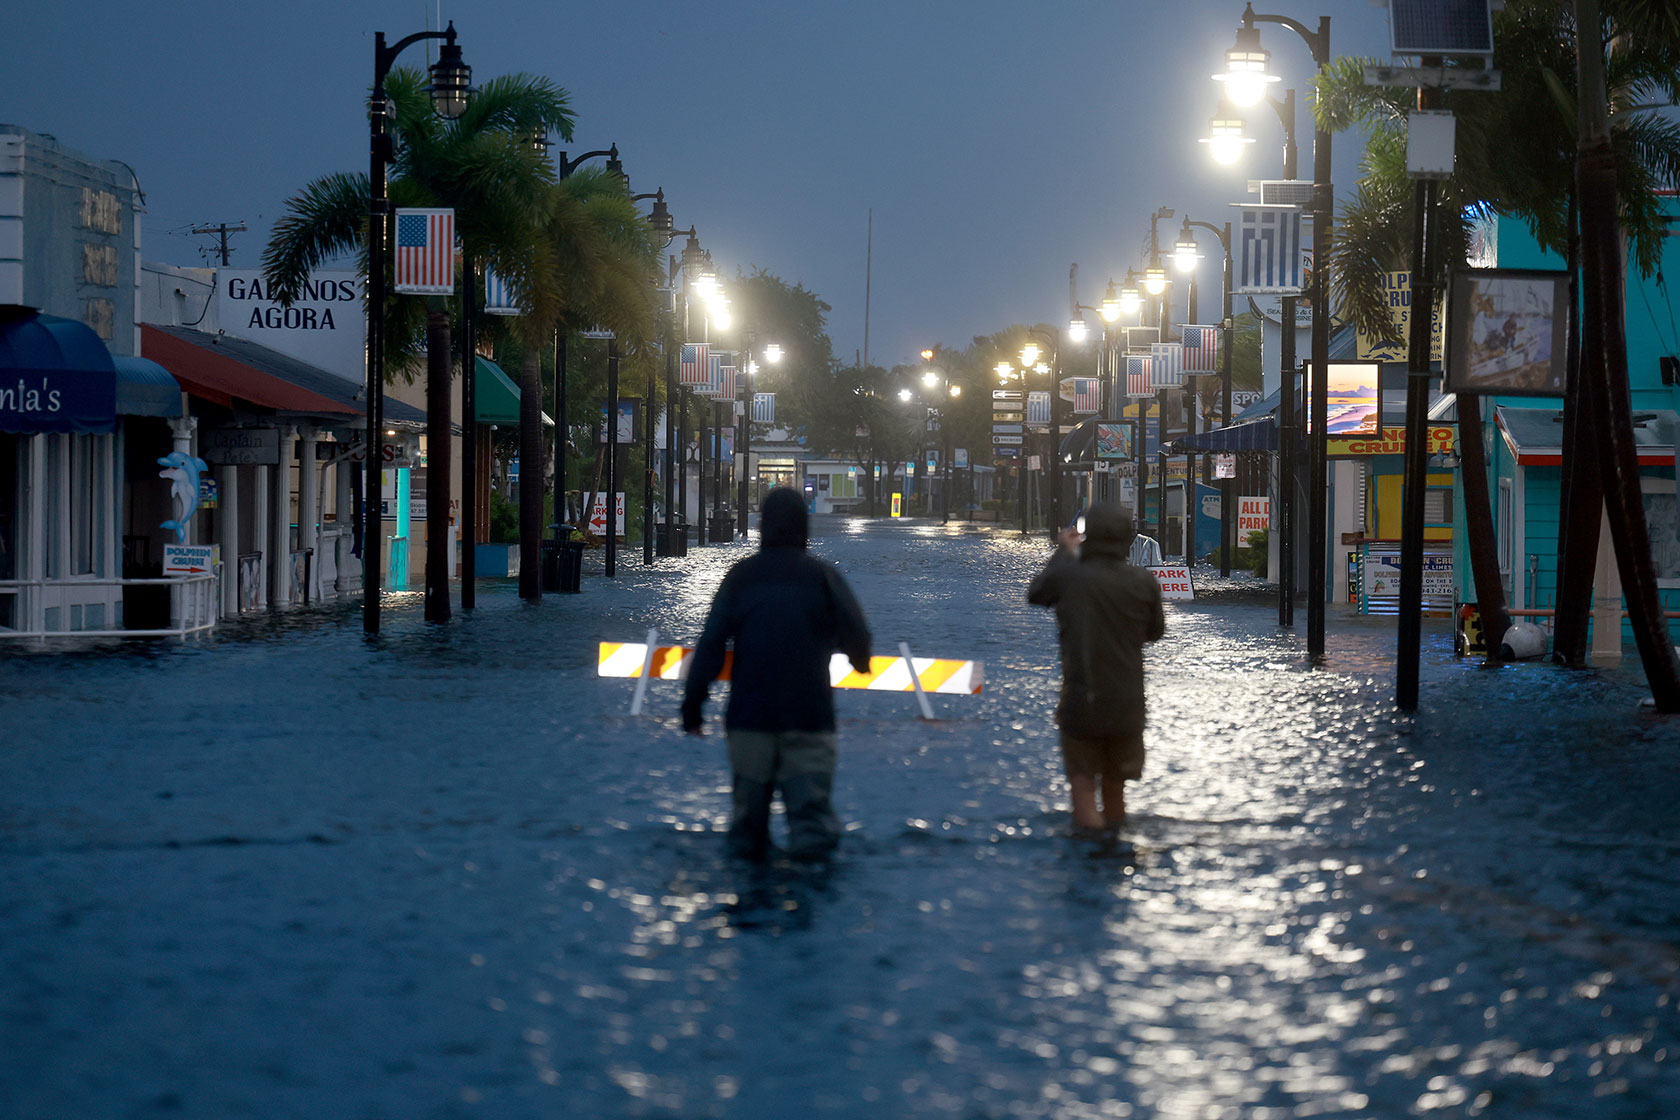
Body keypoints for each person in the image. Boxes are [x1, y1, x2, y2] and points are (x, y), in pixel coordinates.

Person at [682, 487, 872, 860]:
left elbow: (711, 645)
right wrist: (859, 661)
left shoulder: (740, 579)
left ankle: (749, 905)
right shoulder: (823, 578)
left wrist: (693, 705)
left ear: (761, 526)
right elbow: (858, 634)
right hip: (809, 719)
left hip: (750, 720)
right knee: (812, 828)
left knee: (746, 833)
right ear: (805, 527)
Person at [1027, 504, 1166, 833]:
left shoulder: (1070, 577)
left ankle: (1089, 853)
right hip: (1128, 703)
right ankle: (1114, 851)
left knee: (1083, 786)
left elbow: (1037, 593)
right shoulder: (1143, 582)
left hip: (1081, 698)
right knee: (1116, 790)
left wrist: (1064, 552)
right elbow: (1155, 632)